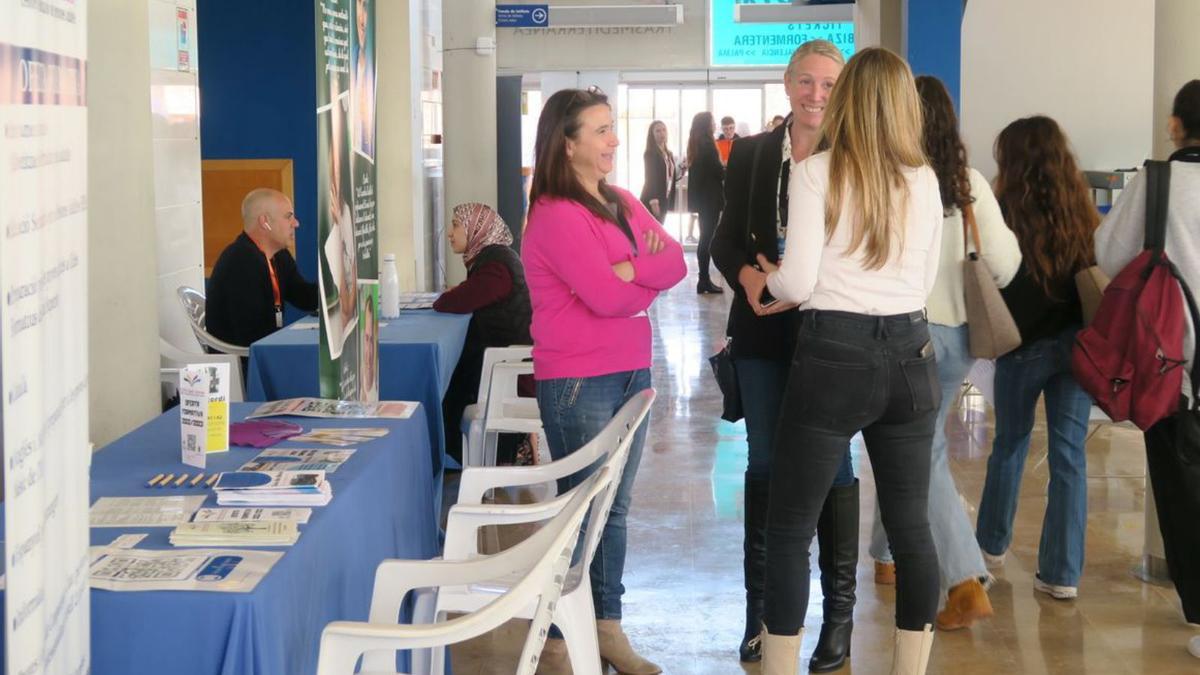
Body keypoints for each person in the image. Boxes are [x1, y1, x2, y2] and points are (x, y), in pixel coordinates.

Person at [756, 47, 944, 675]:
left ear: (848, 101)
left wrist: (767, 283)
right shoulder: (923, 178)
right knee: (912, 528)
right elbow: (926, 279)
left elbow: (801, 282)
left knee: (790, 528)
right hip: (912, 354)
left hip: (834, 355)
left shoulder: (817, 173)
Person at [521, 87, 686, 675]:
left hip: (630, 374)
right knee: (582, 511)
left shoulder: (619, 200)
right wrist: (636, 279)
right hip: (578, 381)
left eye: (612, 128)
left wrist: (632, 268)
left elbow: (677, 263)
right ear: (567, 146)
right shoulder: (553, 214)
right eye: (600, 130)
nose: (614, 139)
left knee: (614, 508)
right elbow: (605, 297)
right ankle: (562, 632)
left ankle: (606, 629)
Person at [710, 39, 858, 671]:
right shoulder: (750, 154)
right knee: (766, 465)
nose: (816, 95)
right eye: (806, 81)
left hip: (830, 334)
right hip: (761, 333)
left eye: (829, 83)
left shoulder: (854, 158)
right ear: (787, 83)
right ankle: (761, 619)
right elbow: (721, 238)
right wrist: (748, 278)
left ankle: (839, 621)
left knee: (834, 469)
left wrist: (803, 285)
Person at [868, 76, 1022, 630]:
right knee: (905, 443)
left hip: (908, 335)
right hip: (960, 340)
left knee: (920, 452)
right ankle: (886, 558)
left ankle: (964, 578)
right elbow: (1005, 266)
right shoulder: (968, 182)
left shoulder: (893, 182)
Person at [1095, 79, 1200, 661]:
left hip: (1173, 365)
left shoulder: (1156, 181)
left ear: (1175, 125)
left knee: (1183, 488)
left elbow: (1110, 254)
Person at [975, 115, 1098, 602]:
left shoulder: (1002, 208)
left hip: (1021, 346)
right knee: (1070, 457)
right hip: (1075, 347)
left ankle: (989, 549)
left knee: (1010, 445)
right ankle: (1062, 574)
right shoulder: (1079, 207)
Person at [434, 202, 532, 465]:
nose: (450, 234)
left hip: (513, 374)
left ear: (477, 229)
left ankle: (447, 456)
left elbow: (450, 302)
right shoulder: (494, 259)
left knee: (451, 381)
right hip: (507, 365)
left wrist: (453, 293)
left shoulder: (497, 266)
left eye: (456, 225)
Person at [207, 188, 318, 348]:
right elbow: (250, 335)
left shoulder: (279, 255)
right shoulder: (240, 262)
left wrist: (342, 287)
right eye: (289, 217)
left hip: (266, 349)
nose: (296, 223)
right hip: (245, 362)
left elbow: (304, 297)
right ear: (265, 222)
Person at [687, 111, 725, 295]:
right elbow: (718, 172)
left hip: (703, 200)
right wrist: (726, 167)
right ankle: (704, 280)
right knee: (707, 240)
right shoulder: (707, 145)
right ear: (706, 125)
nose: (715, 124)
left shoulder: (695, 144)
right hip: (710, 200)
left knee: (705, 238)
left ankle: (704, 280)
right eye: (713, 121)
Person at [639, 120, 680, 224]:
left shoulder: (668, 153)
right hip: (653, 199)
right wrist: (654, 202)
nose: (662, 133)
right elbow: (651, 178)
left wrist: (682, 167)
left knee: (660, 229)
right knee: (653, 231)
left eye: (664, 130)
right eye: (658, 131)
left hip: (665, 197)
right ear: (652, 135)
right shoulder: (650, 153)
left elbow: (670, 176)